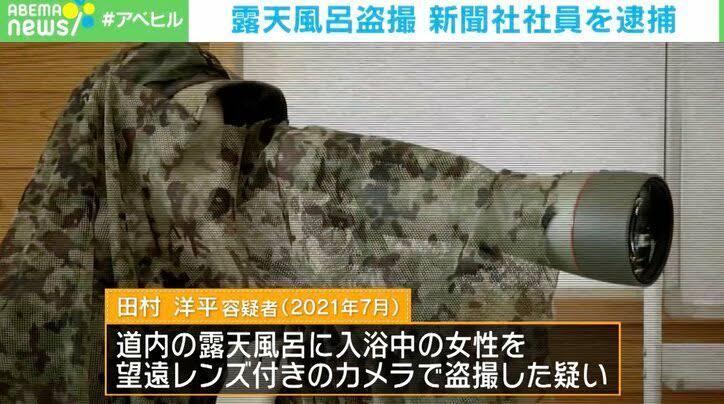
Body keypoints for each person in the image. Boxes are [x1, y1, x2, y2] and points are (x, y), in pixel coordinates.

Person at [0, 43, 557, 403]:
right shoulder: (35, 308)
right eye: (187, 146)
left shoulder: (247, 241)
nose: (218, 169)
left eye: (225, 144)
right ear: (119, 158)